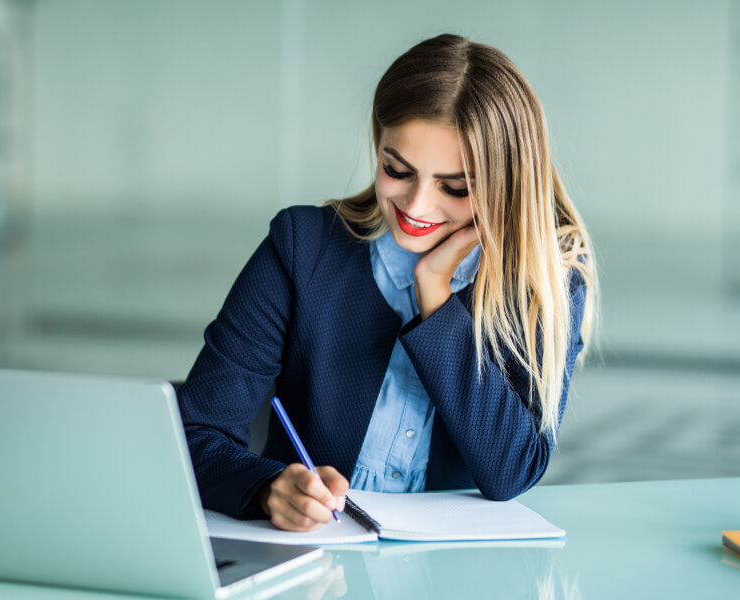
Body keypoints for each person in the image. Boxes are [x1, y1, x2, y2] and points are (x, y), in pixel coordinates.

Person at [178, 33, 598, 533]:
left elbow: (510, 470)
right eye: (397, 170)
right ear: (377, 143)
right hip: (314, 562)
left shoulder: (546, 283)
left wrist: (437, 295)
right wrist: (269, 487)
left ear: (507, 182)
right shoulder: (303, 247)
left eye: (455, 187)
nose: (417, 207)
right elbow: (196, 430)